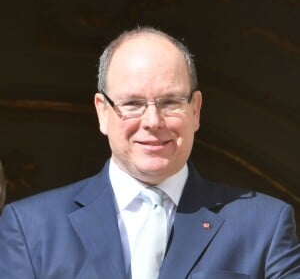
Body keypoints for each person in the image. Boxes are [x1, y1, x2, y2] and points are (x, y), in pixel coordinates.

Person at [0, 27, 299, 279]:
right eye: (132, 104)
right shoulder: (31, 227)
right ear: (102, 113)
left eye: (170, 102)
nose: (153, 122)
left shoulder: (264, 226)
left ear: (195, 110)